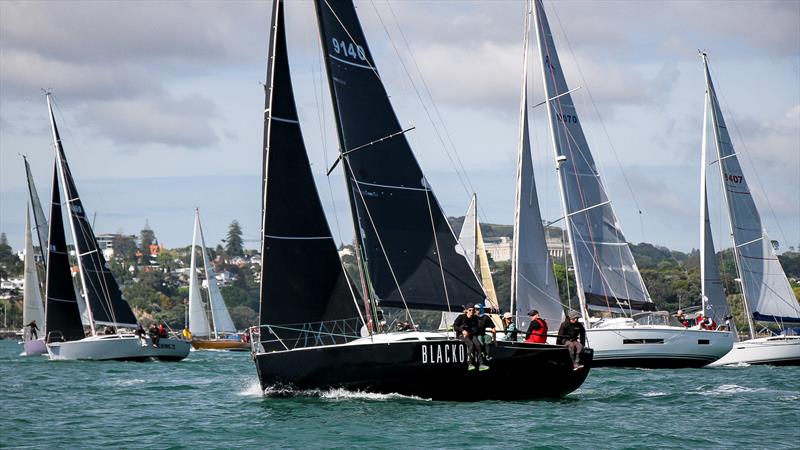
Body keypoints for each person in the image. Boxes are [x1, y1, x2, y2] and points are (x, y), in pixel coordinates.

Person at [453, 305, 482, 370]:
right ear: (466, 310)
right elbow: (455, 326)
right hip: (461, 335)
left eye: (473, 310)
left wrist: (469, 333)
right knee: (470, 344)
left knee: (478, 345)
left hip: (470, 334)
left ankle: (481, 364)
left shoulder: (475, 318)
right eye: (470, 310)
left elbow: (476, 329)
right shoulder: (461, 317)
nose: (471, 311)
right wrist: (462, 331)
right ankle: (470, 364)